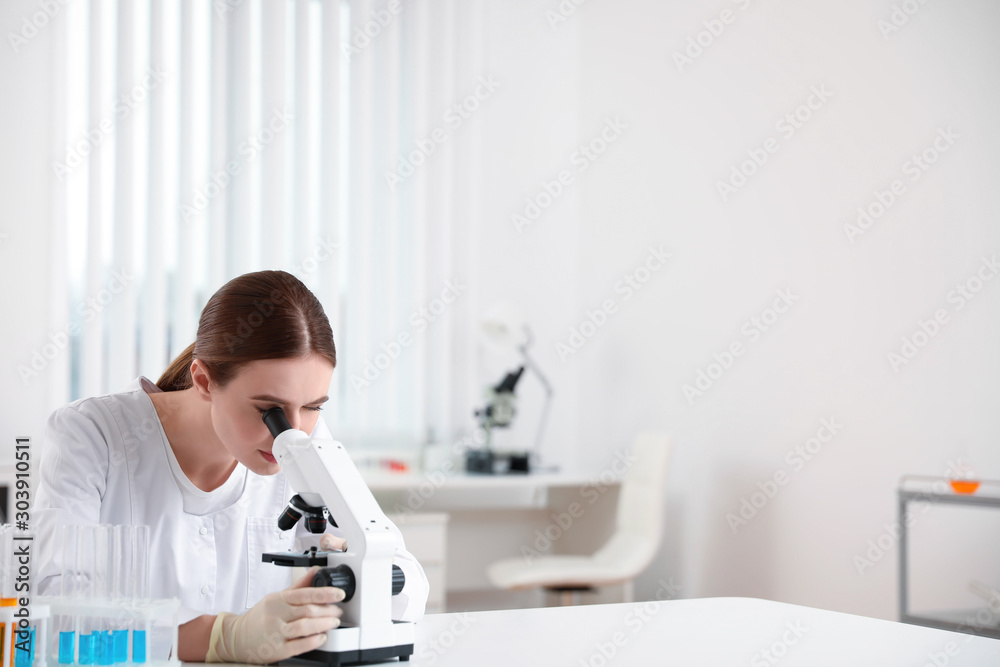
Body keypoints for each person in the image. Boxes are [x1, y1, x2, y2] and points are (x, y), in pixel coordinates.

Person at [34, 270, 429, 662]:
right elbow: (54, 611)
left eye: (312, 407)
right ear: (204, 381)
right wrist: (223, 638)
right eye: (268, 410)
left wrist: (361, 568)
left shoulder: (308, 440)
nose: (289, 434)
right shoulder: (92, 435)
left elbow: (412, 583)